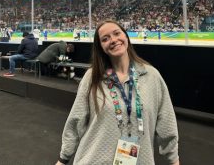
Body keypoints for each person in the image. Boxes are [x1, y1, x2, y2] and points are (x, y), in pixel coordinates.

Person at [56, 20, 179, 165]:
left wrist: (173, 159)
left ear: (126, 36)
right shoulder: (93, 77)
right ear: (101, 47)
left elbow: (167, 123)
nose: (113, 40)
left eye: (116, 33)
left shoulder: (151, 76)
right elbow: (76, 120)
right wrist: (63, 159)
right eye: (105, 39)